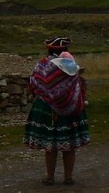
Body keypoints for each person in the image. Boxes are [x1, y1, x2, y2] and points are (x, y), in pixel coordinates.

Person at [24, 37, 90, 185]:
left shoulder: (42, 65)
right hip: (69, 109)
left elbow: (34, 83)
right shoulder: (71, 66)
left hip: (46, 108)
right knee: (69, 146)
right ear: (65, 50)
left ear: (48, 49)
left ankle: (50, 177)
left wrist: (47, 94)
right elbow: (77, 84)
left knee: (50, 146)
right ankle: (68, 177)